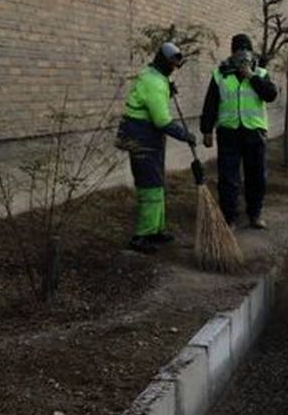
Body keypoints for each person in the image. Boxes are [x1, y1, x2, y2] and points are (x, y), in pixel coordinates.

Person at [116, 42, 197, 254]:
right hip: (142, 138)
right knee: (149, 186)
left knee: (158, 183)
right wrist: (184, 135)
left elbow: (155, 99)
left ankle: (156, 230)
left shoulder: (157, 76)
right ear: (164, 61)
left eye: (176, 65)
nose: (174, 68)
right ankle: (141, 237)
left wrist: (168, 89)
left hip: (150, 138)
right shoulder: (154, 82)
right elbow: (161, 120)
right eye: (172, 64)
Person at [199, 34, 278, 229]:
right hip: (229, 132)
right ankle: (230, 217)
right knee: (228, 177)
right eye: (238, 50)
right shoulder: (221, 74)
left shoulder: (260, 73)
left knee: (256, 176)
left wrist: (251, 76)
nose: (242, 54)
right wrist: (206, 130)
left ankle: (255, 214)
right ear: (232, 52)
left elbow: (271, 95)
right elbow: (210, 104)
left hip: (255, 131)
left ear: (252, 53)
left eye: (246, 50)